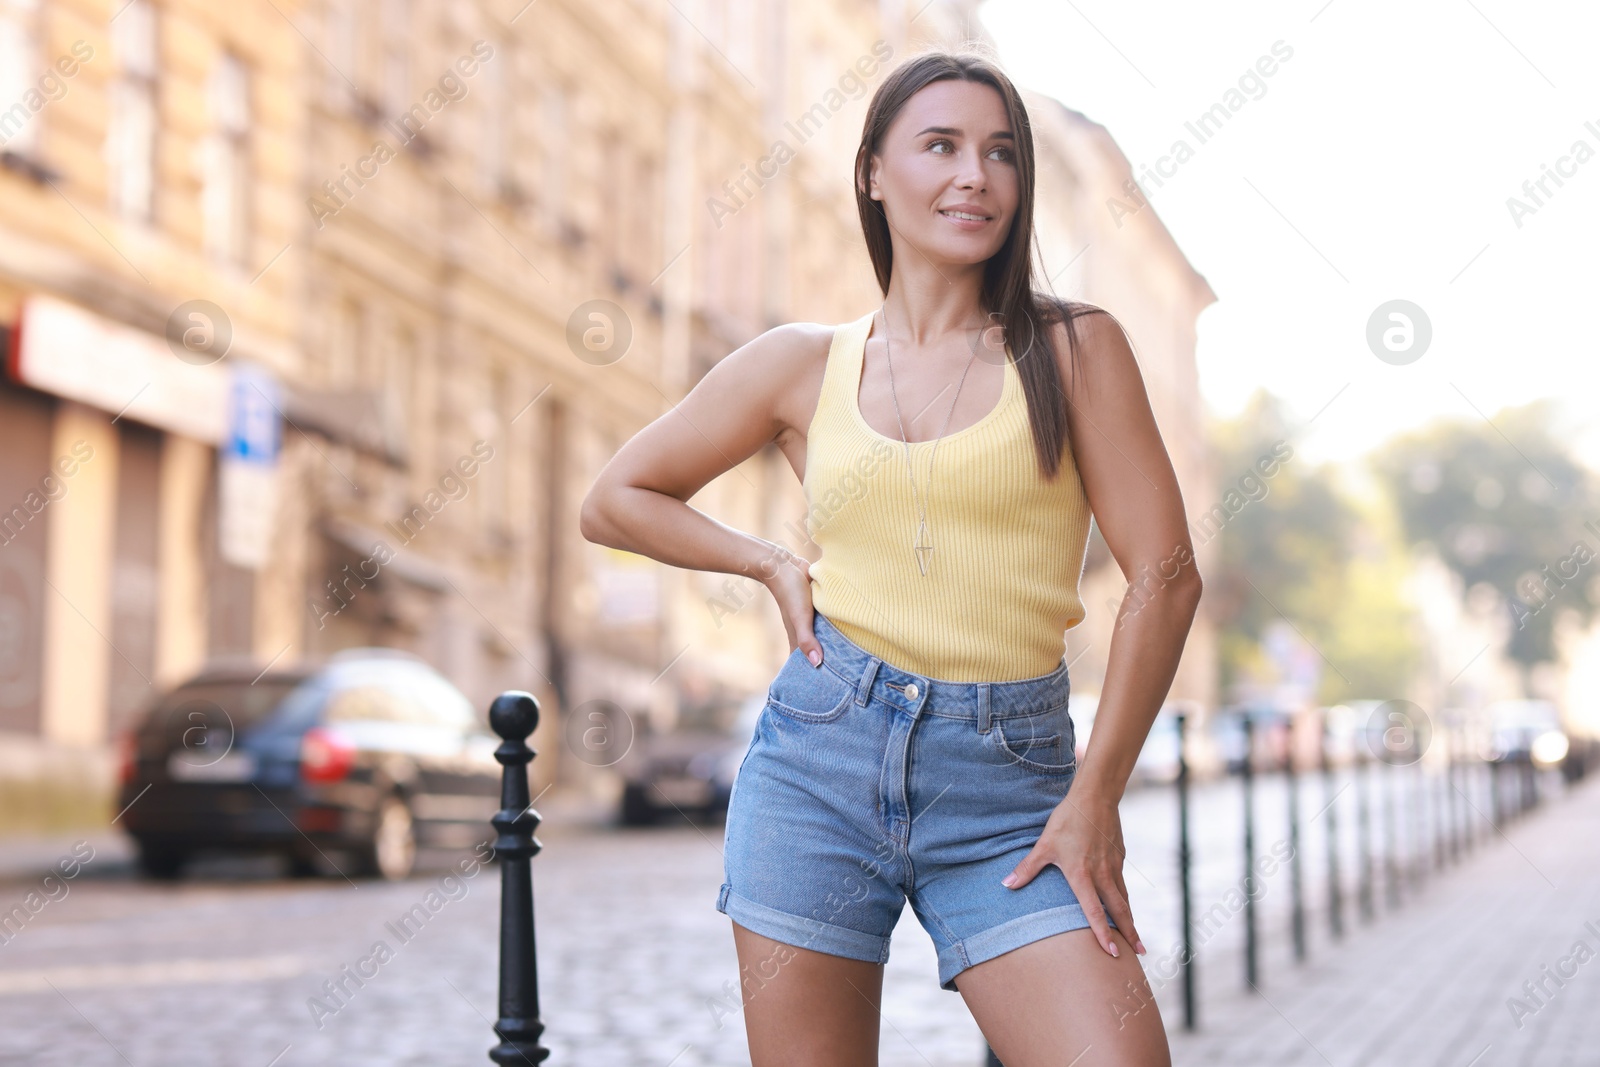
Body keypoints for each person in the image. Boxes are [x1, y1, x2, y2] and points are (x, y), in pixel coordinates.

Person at [580, 46, 1197, 1067]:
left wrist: (1094, 797)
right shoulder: (799, 363)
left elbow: (1166, 577)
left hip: (1012, 785)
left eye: (1001, 153)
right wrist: (769, 564)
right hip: (818, 763)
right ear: (872, 171)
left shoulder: (1074, 349)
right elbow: (614, 500)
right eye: (941, 146)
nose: (975, 175)